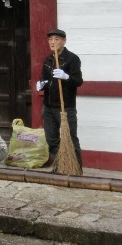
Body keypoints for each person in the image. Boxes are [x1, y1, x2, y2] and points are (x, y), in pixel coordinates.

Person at [36, 28, 83, 168]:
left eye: (56, 39)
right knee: (51, 139)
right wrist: (42, 84)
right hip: (49, 106)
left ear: (64, 41)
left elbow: (78, 81)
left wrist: (66, 77)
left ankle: (76, 169)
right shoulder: (48, 60)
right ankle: (59, 167)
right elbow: (45, 79)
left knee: (71, 138)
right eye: (50, 39)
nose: (52, 42)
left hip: (66, 107)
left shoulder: (72, 59)